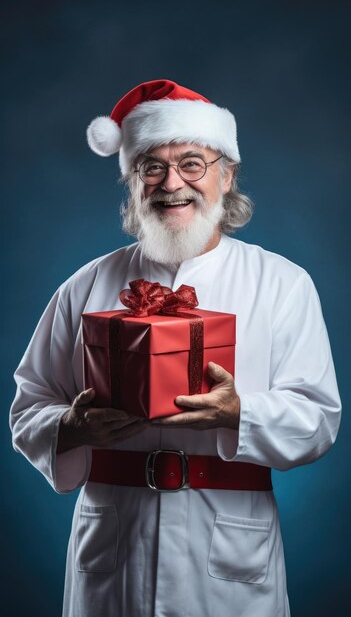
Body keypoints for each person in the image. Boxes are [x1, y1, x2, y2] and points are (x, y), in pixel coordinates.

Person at [10, 79, 341, 617]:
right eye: (151, 167)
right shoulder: (85, 285)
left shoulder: (282, 283)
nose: (172, 183)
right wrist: (70, 427)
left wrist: (241, 413)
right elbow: (28, 404)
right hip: (113, 545)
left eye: (192, 164)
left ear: (226, 175)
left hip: (230, 549)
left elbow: (318, 418)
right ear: (132, 182)